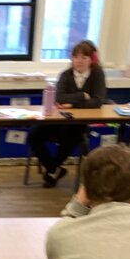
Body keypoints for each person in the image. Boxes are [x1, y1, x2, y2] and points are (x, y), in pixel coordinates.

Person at [28, 40, 108, 188]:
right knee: (33, 135)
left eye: (84, 57)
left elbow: (98, 101)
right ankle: (53, 168)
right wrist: (83, 95)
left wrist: (73, 104)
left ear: (92, 59)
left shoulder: (97, 74)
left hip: (79, 123)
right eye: (76, 57)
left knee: (70, 135)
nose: (79, 61)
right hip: (58, 119)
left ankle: (52, 172)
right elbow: (59, 97)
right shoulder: (66, 75)